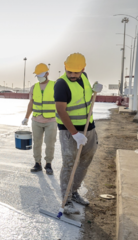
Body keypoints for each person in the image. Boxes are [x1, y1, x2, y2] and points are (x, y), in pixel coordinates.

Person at [55, 53, 103, 214]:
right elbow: (61, 111)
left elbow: (85, 99)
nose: (73, 75)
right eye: (70, 72)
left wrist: (95, 89)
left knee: (84, 162)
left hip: (89, 128)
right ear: (65, 67)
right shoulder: (61, 84)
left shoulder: (85, 78)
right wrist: (75, 134)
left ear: (83, 69)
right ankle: (66, 199)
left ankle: (74, 191)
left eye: (76, 72)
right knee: (69, 163)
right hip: (70, 132)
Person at [23, 63, 57, 175]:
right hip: (36, 120)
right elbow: (31, 103)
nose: (39, 77)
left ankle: (48, 164)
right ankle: (37, 163)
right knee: (37, 143)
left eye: (41, 74)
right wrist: (26, 118)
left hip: (51, 120)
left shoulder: (55, 85)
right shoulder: (34, 87)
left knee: (50, 143)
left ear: (47, 73)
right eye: (37, 75)